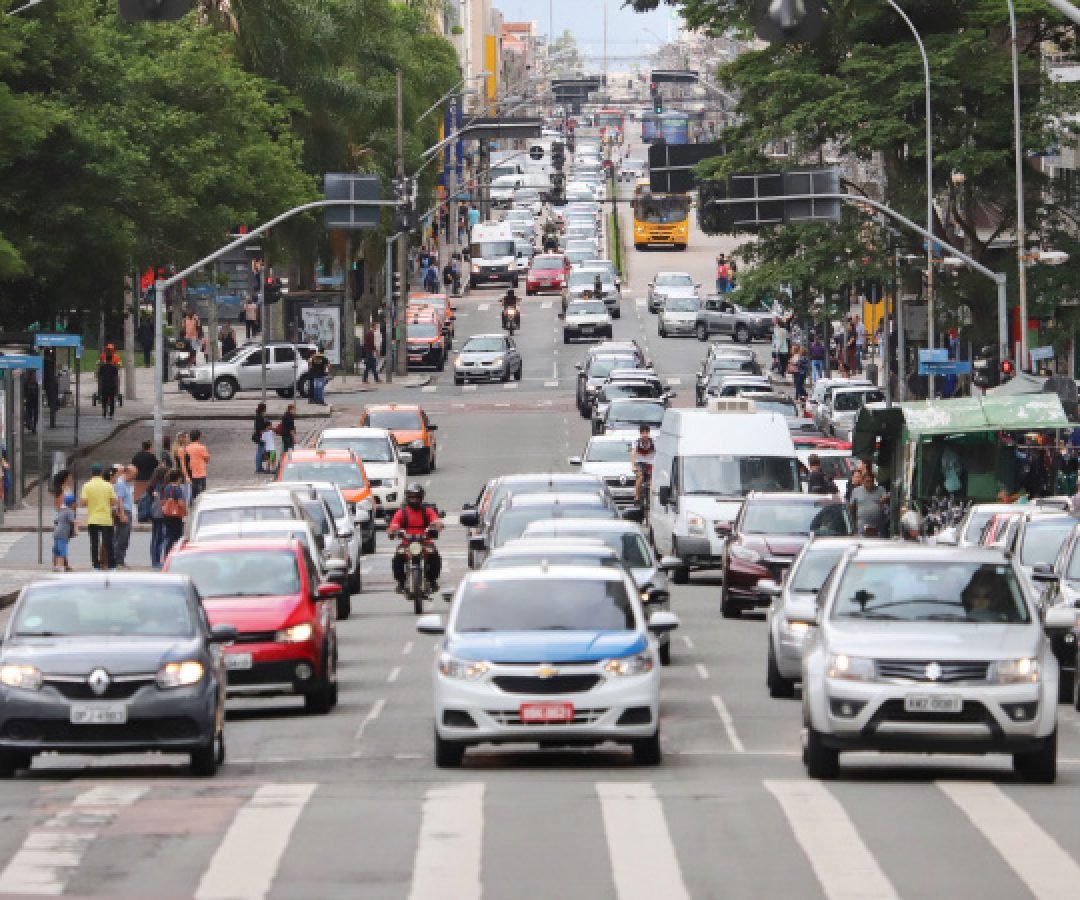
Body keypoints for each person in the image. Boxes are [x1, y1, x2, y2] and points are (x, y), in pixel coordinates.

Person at [387, 483, 444, 592]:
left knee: (435, 557)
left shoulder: (427, 511)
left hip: (424, 542)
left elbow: (436, 521)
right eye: (411, 497)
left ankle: (432, 581)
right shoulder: (401, 512)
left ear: (421, 498)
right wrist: (393, 531)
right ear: (407, 498)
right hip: (406, 543)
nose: (414, 500)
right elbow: (394, 525)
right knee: (397, 559)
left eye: (417, 497)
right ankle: (402, 582)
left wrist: (437, 526)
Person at [80, 462, 118, 570]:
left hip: (93, 518)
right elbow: (113, 502)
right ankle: (111, 565)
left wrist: (93, 502)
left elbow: (83, 503)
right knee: (108, 543)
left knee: (94, 543)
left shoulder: (86, 485)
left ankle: (96, 565)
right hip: (106, 518)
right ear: (101, 473)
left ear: (91, 473)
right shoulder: (108, 485)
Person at [849, 467, 888, 537]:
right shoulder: (856, 491)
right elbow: (852, 508)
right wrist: (854, 525)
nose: (870, 483)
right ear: (863, 481)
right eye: (867, 481)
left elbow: (886, 501)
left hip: (878, 527)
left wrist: (885, 500)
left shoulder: (881, 489)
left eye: (871, 481)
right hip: (862, 527)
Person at [160, 469, 187, 558]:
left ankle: (166, 555)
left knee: (169, 535)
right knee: (177, 537)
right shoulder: (178, 489)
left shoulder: (167, 487)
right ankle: (176, 555)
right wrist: (185, 510)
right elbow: (180, 502)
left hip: (167, 514)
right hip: (176, 515)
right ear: (178, 478)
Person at [112, 465, 134, 569]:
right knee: (121, 537)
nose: (134, 477)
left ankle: (120, 559)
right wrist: (122, 514)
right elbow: (119, 499)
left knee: (124, 537)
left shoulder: (124, 483)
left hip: (126, 511)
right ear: (128, 473)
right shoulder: (120, 483)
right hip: (124, 511)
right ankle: (118, 560)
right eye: (133, 475)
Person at [147, 464, 168, 568]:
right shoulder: (161, 486)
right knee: (159, 538)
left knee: (155, 536)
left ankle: (154, 559)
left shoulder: (153, 485)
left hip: (154, 513)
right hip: (160, 513)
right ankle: (156, 561)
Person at [631, 424, 657, 503]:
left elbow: (659, 453)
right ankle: (637, 496)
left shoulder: (654, 442)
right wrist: (633, 466)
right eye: (643, 433)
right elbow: (633, 453)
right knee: (640, 477)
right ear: (640, 433)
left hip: (650, 463)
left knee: (652, 480)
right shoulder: (636, 442)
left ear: (649, 433)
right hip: (640, 463)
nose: (645, 435)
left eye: (646, 432)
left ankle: (652, 499)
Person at [53, 493, 77, 573]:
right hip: (63, 533)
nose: (76, 504)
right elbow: (73, 521)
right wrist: (77, 528)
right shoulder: (70, 511)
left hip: (56, 532)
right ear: (72, 503)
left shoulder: (61, 510)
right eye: (75, 502)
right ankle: (61, 567)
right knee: (62, 551)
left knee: (57, 550)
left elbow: (56, 521)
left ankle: (56, 566)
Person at [97, 345, 121, 419]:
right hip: (111, 385)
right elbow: (115, 377)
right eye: (108, 349)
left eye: (110, 349)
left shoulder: (116, 357)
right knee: (110, 397)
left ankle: (105, 411)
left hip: (105, 385)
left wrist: (100, 386)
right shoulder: (103, 356)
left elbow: (119, 364)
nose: (109, 350)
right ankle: (110, 413)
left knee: (105, 399)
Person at [186, 429, 210, 497]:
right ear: (199, 437)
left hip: (190, 473)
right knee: (201, 496)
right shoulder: (202, 448)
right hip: (200, 473)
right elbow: (207, 459)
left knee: (192, 495)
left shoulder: (187, 448)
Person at [253, 402, 271, 473]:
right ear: (263, 409)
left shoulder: (259, 416)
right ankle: (258, 467)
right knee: (260, 452)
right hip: (261, 436)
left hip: (261, 435)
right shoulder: (259, 418)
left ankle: (259, 467)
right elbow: (260, 428)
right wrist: (266, 429)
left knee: (260, 451)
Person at [22, 370, 38, 434]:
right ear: (30, 375)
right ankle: (30, 425)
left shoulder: (37, 383)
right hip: (29, 401)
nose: (34, 376)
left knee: (36, 414)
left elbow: (38, 392)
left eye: (35, 375)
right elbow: (24, 391)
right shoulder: (26, 382)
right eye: (33, 374)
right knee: (29, 414)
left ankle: (34, 426)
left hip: (36, 401)